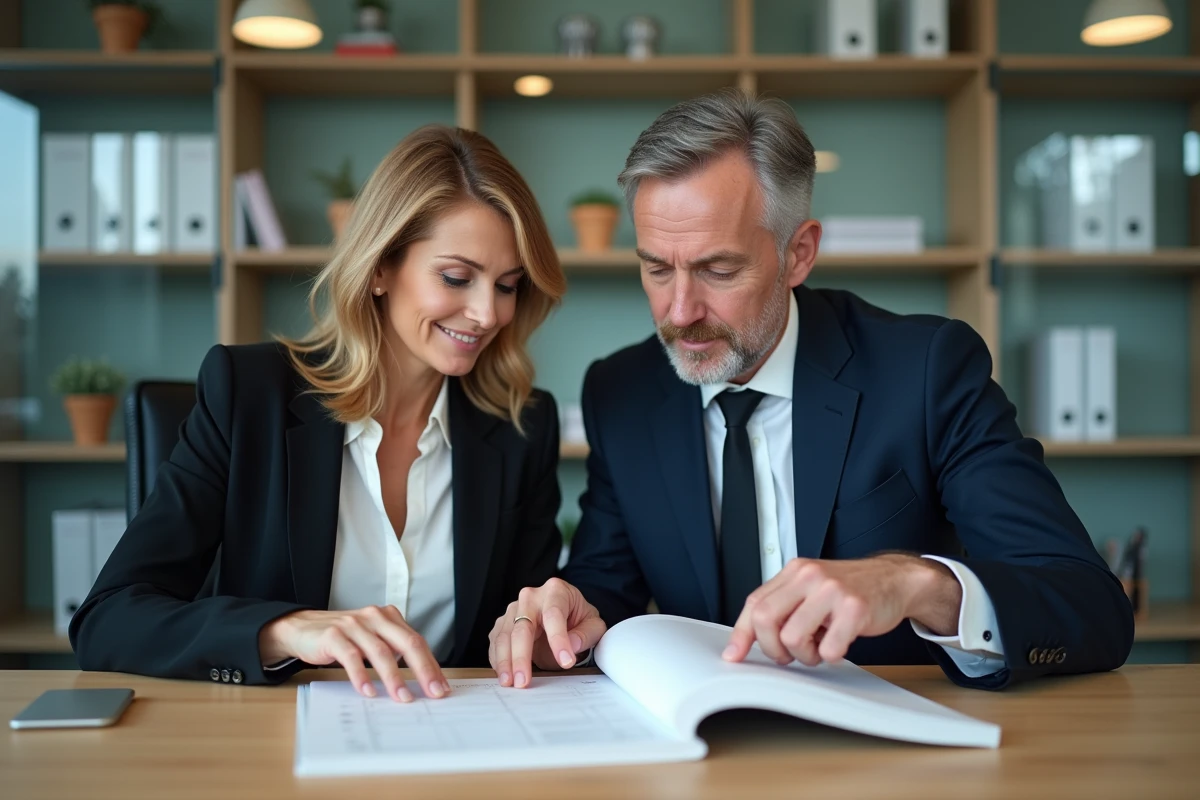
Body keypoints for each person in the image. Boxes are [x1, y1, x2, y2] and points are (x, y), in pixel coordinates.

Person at [489, 89, 1134, 691]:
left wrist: (916, 582)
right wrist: (560, 618)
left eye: (718, 269)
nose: (679, 310)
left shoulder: (927, 369)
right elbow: (607, 585)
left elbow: (1090, 605)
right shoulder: (621, 392)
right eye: (656, 268)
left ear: (799, 253)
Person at [71, 125, 568, 703]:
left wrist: (536, 631)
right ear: (380, 268)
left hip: (451, 742)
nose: (486, 313)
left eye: (507, 286)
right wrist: (282, 631)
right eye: (456, 278)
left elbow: (518, 631)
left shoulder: (521, 428)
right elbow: (108, 619)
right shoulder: (247, 394)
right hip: (273, 754)